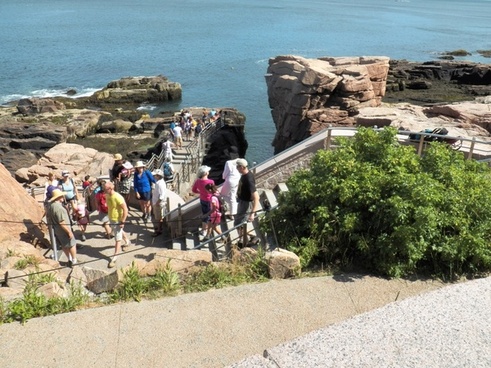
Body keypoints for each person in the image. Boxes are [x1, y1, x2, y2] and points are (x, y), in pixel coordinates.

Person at [47, 189, 78, 267]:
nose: (63, 197)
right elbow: (62, 222)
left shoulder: (51, 205)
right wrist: (69, 232)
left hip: (57, 230)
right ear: (59, 197)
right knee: (71, 244)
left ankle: (69, 258)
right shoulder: (59, 208)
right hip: (64, 229)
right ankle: (74, 260)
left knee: (64, 245)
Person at [104, 182, 130, 268]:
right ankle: (127, 241)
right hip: (112, 218)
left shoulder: (118, 197)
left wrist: (122, 221)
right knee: (118, 231)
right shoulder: (107, 195)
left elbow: (125, 209)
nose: (104, 190)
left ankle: (115, 257)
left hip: (118, 220)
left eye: (106, 189)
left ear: (111, 189)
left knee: (117, 238)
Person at [234, 158, 260, 245]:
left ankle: (242, 241)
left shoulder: (248, 179)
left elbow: (256, 197)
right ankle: (245, 239)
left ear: (241, 167)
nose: (236, 168)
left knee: (239, 224)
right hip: (242, 201)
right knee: (239, 224)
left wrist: (252, 213)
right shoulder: (245, 175)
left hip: (245, 204)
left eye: (237, 167)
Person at [192, 165, 214, 238]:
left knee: (204, 213)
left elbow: (194, 190)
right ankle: (205, 230)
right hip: (209, 200)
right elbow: (213, 191)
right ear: (205, 173)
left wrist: (201, 192)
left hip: (202, 199)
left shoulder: (198, 181)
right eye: (207, 171)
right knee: (208, 215)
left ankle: (203, 230)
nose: (208, 172)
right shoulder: (210, 182)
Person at [221, 146, 241, 219]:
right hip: (237, 180)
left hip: (230, 181)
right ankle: (233, 213)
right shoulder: (239, 160)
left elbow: (225, 173)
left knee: (222, 194)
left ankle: (228, 208)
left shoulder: (228, 162)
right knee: (233, 196)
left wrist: (223, 177)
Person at [151, 169, 167, 237]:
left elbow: (161, 195)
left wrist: (157, 203)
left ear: (158, 176)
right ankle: (159, 228)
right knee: (159, 217)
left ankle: (159, 230)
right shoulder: (160, 182)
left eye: (155, 175)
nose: (154, 176)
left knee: (159, 217)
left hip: (159, 203)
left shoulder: (159, 184)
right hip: (158, 202)